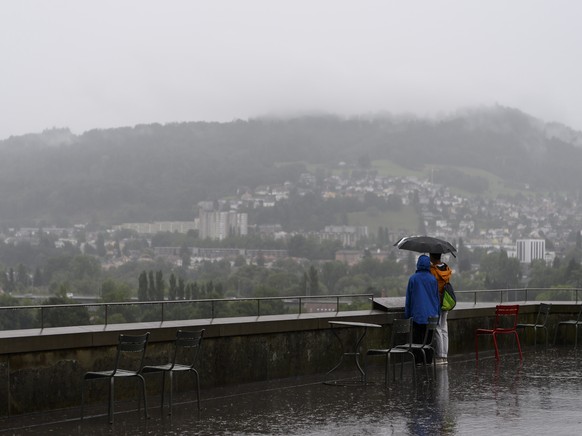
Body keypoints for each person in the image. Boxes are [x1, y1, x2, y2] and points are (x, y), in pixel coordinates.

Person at [404, 254, 440, 364]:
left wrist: (407, 316)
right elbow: (436, 299)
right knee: (428, 343)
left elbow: (408, 300)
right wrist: (437, 315)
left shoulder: (413, 279)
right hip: (431, 317)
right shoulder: (433, 280)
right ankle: (428, 364)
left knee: (417, 342)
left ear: (418, 264)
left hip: (417, 317)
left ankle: (418, 364)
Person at [430, 252, 453, 365]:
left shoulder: (433, 271)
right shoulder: (446, 269)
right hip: (446, 301)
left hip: (437, 301)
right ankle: (445, 356)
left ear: (432, 256)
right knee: (444, 328)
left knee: (438, 328)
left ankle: (439, 356)